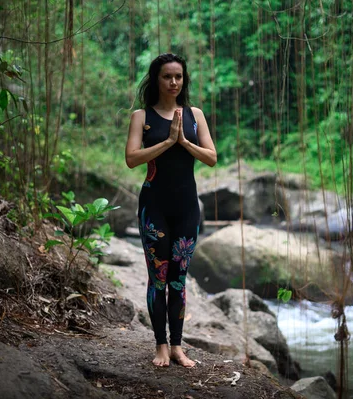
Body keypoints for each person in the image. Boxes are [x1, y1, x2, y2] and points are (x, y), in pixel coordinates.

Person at [125, 53, 217, 367]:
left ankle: (177, 346)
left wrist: (183, 142)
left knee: (179, 280)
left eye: (178, 76)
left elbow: (211, 157)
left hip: (187, 208)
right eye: (167, 76)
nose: (173, 82)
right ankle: (160, 346)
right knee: (158, 278)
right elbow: (132, 158)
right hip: (154, 208)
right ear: (157, 79)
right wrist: (166, 142)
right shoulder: (142, 116)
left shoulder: (195, 114)